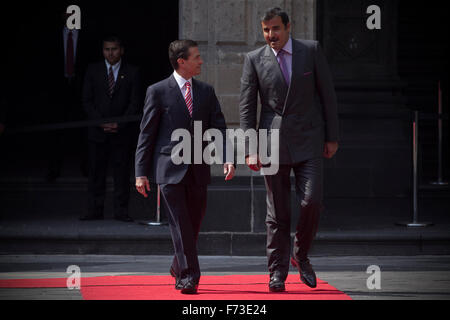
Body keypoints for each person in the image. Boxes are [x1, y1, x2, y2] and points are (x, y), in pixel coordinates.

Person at [239, 7, 339, 292]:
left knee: (311, 201)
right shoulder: (254, 60)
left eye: (276, 29)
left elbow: (327, 95)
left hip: (309, 140)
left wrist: (332, 136)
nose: (271, 35)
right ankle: (277, 272)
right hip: (271, 143)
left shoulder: (311, 50)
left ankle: (301, 254)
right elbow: (247, 109)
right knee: (277, 213)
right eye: (266, 30)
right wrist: (251, 149)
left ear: (288, 27)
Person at [135, 39, 235, 294]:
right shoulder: (157, 91)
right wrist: (140, 172)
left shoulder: (206, 91)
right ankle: (190, 276)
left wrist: (227, 157)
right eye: (197, 57)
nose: (201, 61)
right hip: (169, 169)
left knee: (194, 222)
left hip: (198, 168)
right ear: (182, 61)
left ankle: (178, 264)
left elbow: (219, 129)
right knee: (180, 223)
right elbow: (147, 134)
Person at [81, 36, 141, 222]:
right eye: (107, 49)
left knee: (121, 173)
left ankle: (121, 211)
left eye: (114, 49)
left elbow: (135, 102)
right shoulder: (93, 70)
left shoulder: (132, 72)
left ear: (121, 50)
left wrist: (120, 123)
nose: (110, 53)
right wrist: (100, 122)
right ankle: (94, 210)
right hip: (98, 132)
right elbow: (87, 100)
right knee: (96, 172)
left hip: (122, 133)